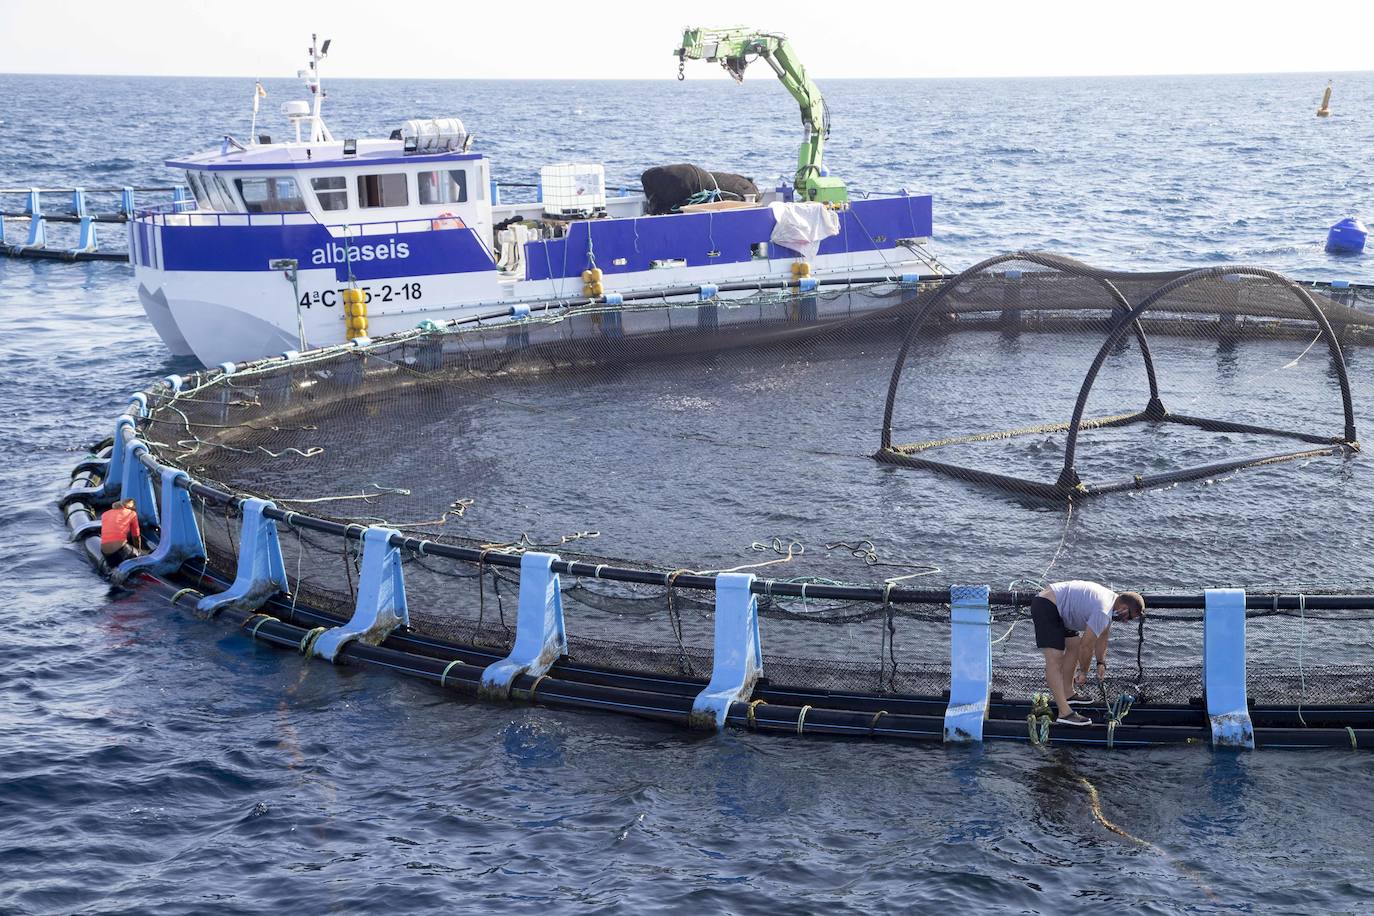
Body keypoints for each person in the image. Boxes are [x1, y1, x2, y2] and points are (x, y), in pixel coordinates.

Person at [1030, 580, 1145, 726]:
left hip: (1061, 609)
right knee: (1055, 659)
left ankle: (1068, 692)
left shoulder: (1110, 602)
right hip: (1047, 605)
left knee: (1074, 645)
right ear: (1123, 607)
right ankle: (1064, 713)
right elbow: (1087, 646)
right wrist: (1083, 671)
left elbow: (1102, 636)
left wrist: (1101, 662)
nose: (1127, 621)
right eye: (1129, 616)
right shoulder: (1103, 610)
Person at [100, 498, 142, 566]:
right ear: (132, 507)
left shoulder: (105, 514)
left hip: (105, 551)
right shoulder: (132, 513)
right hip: (120, 550)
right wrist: (138, 551)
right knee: (140, 554)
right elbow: (136, 536)